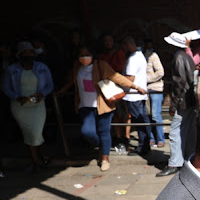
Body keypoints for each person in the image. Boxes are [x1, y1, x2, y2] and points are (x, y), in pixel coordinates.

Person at [57, 46, 144, 171]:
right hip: (85, 106)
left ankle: (105, 158)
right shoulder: (77, 67)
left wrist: (135, 87)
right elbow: (72, 80)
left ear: (92, 55)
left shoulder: (100, 65)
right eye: (81, 54)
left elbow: (116, 77)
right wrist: (62, 90)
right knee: (87, 132)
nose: (84, 57)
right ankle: (102, 146)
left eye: (87, 54)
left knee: (104, 131)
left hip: (103, 105)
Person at [2, 41, 54, 170]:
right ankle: (37, 162)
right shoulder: (12, 69)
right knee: (28, 133)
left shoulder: (42, 67)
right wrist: (17, 97)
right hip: (20, 106)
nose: (28, 54)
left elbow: (50, 85)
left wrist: (42, 94)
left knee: (36, 133)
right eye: (25, 52)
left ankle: (42, 156)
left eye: (30, 52)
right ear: (19, 55)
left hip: (38, 105)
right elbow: (5, 87)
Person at [157, 32, 196, 178]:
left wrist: (173, 106)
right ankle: (188, 159)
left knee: (175, 132)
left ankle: (174, 163)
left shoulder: (178, 58)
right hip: (190, 100)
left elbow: (179, 85)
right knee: (187, 131)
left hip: (183, 101)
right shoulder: (186, 57)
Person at [119, 36, 151, 157]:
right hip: (139, 95)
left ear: (127, 44)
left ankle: (143, 147)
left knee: (140, 122)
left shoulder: (132, 59)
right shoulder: (140, 55)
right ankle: (145, 145)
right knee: (143, 120)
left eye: (123, 46)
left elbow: (130, 78)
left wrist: (117, 79)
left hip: (133, 95)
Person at [144, 39, 165, 148]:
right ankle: (151, 138)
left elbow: (160, 72)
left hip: (155, 89)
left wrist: (146, 79)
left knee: (156, 115)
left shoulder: (153, 56)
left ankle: (160, 139)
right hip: (145, 90)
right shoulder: (142, 57)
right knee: (147, 115)